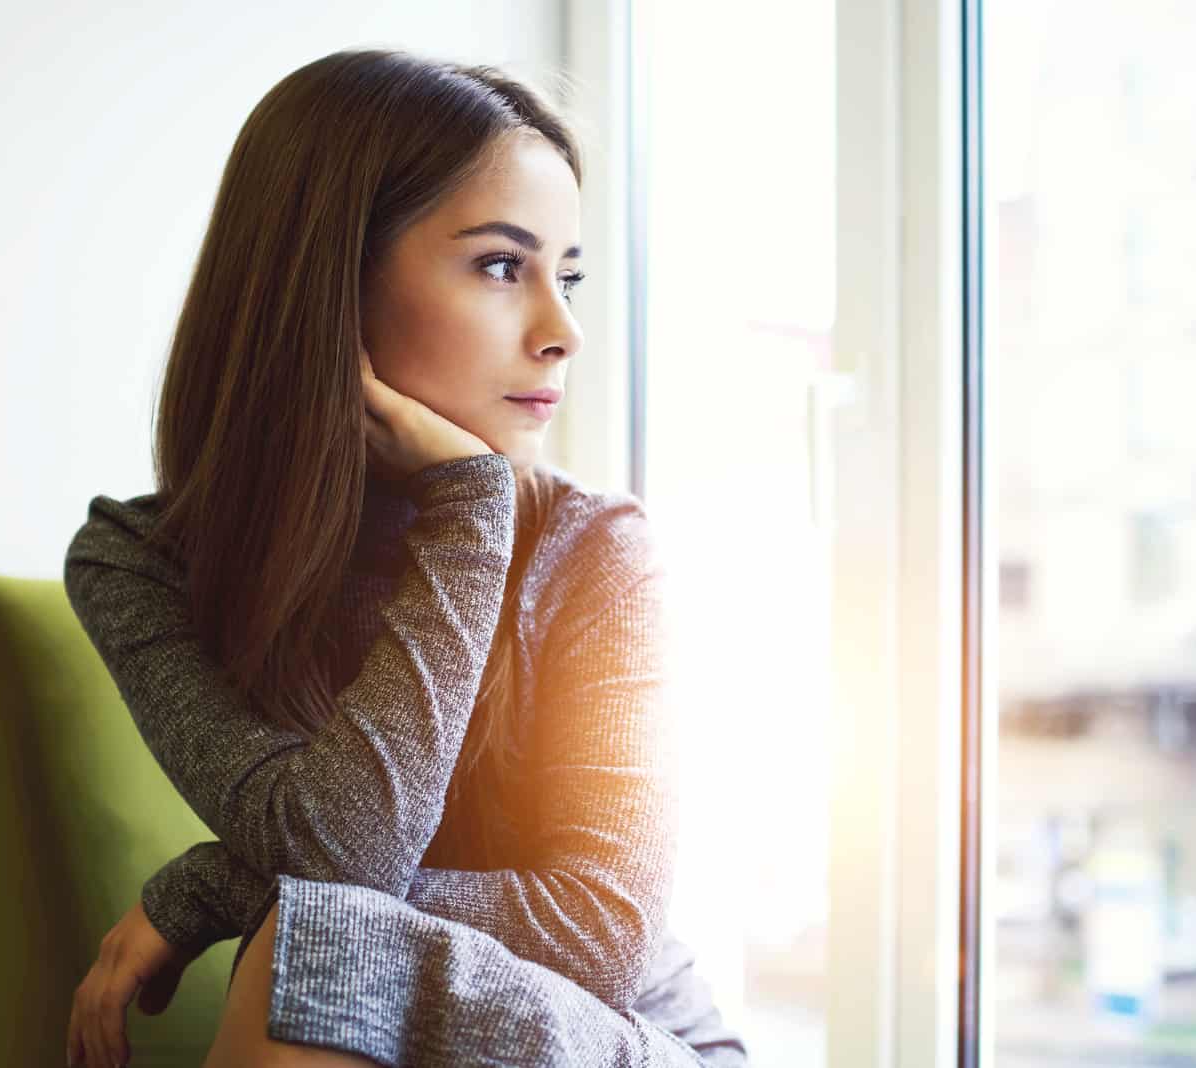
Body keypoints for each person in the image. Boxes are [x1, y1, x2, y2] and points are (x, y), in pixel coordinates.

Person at [59, 48, 747, 1068]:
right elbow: (340, 855)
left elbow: (601, 934)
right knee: (322, 943)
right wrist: (468, 513)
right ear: (329, 281)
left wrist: (214, 885)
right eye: (502, 266)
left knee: (314, 942)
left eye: (568, 276)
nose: (564, 330)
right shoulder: (139, 562)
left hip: (633, 1040)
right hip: (356, 1010)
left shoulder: (597, 550)